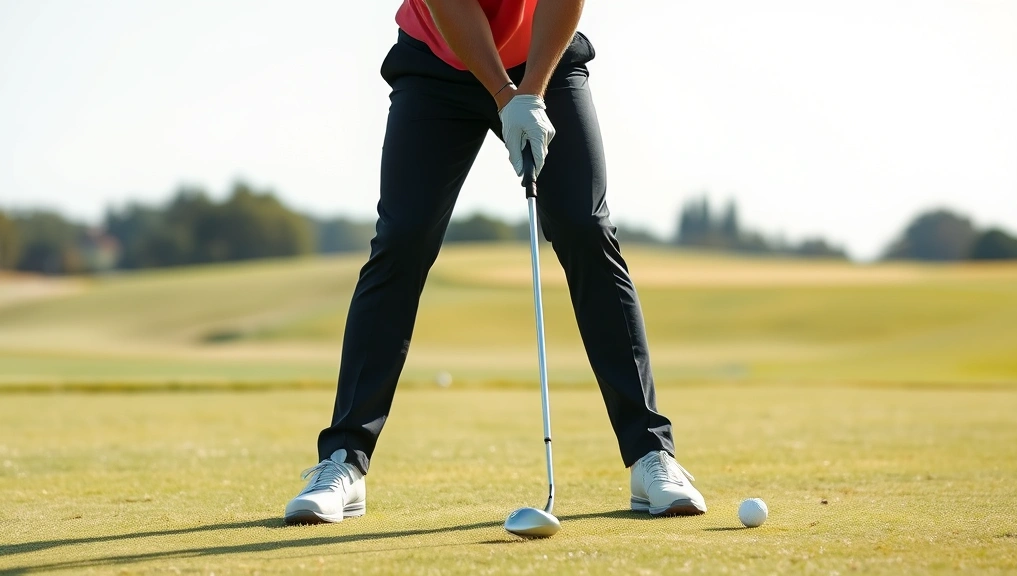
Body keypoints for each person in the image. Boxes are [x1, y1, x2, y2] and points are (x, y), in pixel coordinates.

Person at [284, 0, 707, 525]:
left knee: (585, 228)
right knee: (403, 239)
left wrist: (530, 91)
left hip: (544, 59)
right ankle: (343, 460)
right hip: (437, 63)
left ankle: (651, 455)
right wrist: (505, 95)